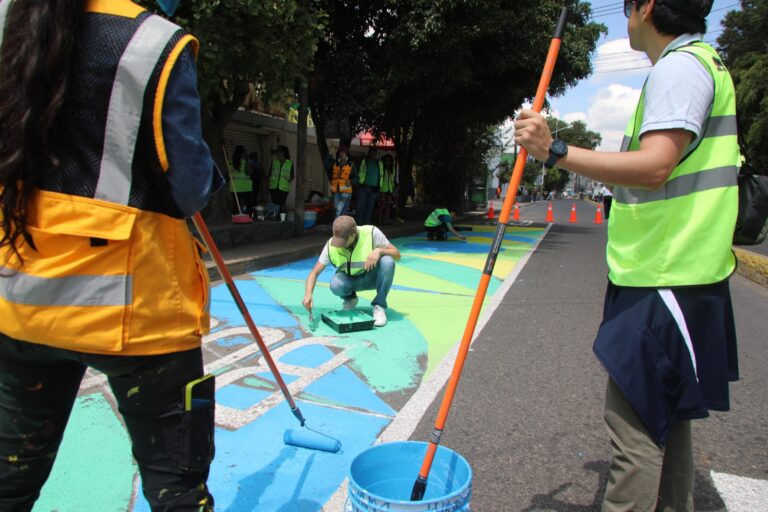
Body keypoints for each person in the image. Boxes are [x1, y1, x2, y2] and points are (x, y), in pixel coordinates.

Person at [514, 1, 739, 510]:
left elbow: (657, 165)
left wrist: (556, 151)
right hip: (679, 272)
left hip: (664, 274)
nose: (625, 16)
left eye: (627, 6)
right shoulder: (704, 63)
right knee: (668, 417)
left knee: (633, 434)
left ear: (649, 7)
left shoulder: (680, 67)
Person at [0, 0, 222, 510]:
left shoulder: (14, 20)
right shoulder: (156, 42)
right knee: (178, 492)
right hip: (136, 317)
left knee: (9, 486)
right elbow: (189, 188)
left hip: (21, 303)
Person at [302, 216, 400, 327]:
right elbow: (314, 273)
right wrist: (308, 295)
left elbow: (397, 254)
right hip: (351, 282)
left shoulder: (371, 233)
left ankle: (379, 306)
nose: (340, 245)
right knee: (336, 284)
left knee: (388, 261)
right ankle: (350, 299)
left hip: (372, 278)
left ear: (353, 234)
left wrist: (379, 251)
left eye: (344, 241)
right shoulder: (331, 245)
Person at [356, 147, 383, 225]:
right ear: (368, 153)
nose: (372, 155)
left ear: (376, 154)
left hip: (374, 189)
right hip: (363, 187)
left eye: (374, 153)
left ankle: (366, 224)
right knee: (360, 207)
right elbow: (358, 171)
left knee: (370, 208)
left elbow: (381, 175)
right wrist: (359, 184)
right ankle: (359, 224)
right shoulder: (364, 161)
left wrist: (378, 187)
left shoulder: (379, 163)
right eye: (371, 153)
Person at [329, 146, 354, 218]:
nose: (342, 154)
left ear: (347, 155)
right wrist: (330, 154)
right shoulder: (335, 164)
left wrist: (351, 181)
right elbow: (326, 163)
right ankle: (341, 227)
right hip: (337, 191)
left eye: (344, 153)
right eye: (340, 153)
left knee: (339, 211)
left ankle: (336, 227)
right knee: (338, 210)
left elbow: (357, 179)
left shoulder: (351, 165)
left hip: (346, 192)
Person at [229, 144, 253, 214]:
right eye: (245, 151)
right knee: (248, 204)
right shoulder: (246, 162)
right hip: (245, 187)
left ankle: (235, 216)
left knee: (236, 204)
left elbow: (228, 173)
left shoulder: (230, 162)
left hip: (234, 187)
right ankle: (247, 217)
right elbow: (249, 173)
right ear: (242, 153)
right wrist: (247, 159)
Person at [269, 144, 293, 212]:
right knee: (274, 205)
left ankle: (280, 218)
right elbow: (270, 174)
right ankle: (274, 218)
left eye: (278, 151)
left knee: (281, 205)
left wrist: (289, 178)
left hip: (284, 188)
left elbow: (292, 176)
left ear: (283, 152)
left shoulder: (289, 163)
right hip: (273, 187)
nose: (276, 152)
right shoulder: (274, 162)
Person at [377, 154, 397, 225]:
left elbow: (393, 180)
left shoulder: (392, 169)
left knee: (388, 206)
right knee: (382, 206)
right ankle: (379, 221)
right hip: (382, 189)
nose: (388, 162)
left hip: (389, 190)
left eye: (389, 161)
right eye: (386, 160)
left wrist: (393, 189)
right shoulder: (382, 169)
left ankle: (386, 220)